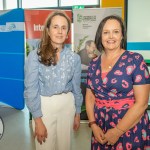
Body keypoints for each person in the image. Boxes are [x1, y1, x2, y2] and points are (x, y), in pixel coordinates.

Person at [86, 15, 150, 149]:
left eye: (116, 32)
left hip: (129, 127)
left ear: (122, 36)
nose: (111, 36)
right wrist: (93, 124)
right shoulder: (93, 64)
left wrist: (118, 131)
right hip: (100, 128)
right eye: (106, 32)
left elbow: (142, 104)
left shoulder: (135, 60)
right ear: (100, 36)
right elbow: (90, 96)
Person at [24, 10, 83, 150]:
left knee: (65, 146)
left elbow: (76, 87)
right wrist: (37, 120)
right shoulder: (35, 56)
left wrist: (78, 112)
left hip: (68, 105)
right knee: (45, 146)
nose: (60, 31)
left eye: (64, 28)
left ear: (68, 32)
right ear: (48, 31)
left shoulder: (74, 58)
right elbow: (31, 89)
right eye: (55, 27)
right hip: (44, 107)